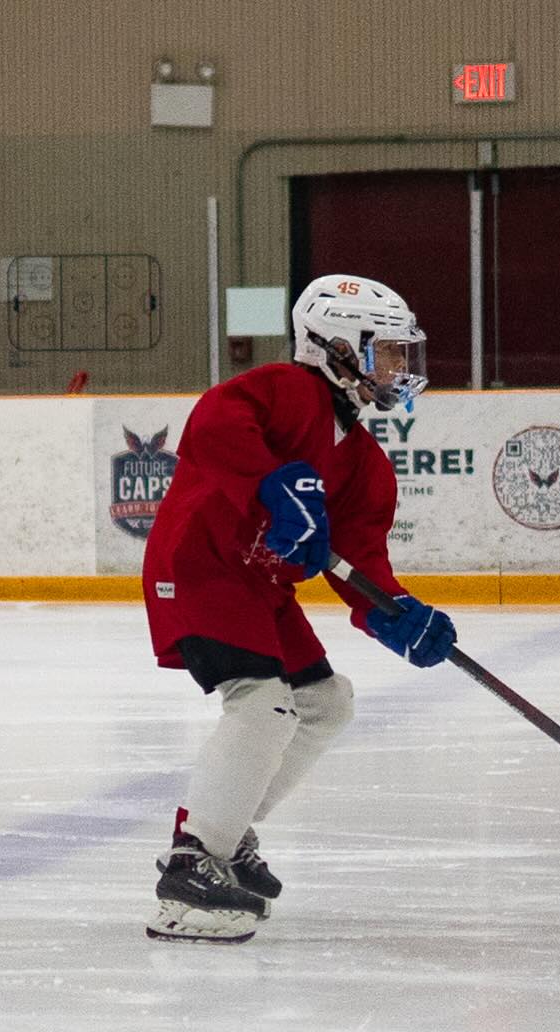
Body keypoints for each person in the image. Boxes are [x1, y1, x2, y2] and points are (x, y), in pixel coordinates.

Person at [140, 274, 457, 943]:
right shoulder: (286, 389)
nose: (401, 367)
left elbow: (361, 560)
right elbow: (217, 420)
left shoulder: (367, 461)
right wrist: (272, 480)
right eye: (390, 351)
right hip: (201, 565)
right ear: (339, 345)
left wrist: (397, 613)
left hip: (258, 587)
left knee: (326, 702)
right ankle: (192, 861)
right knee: (261, 702)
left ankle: (227, 836)